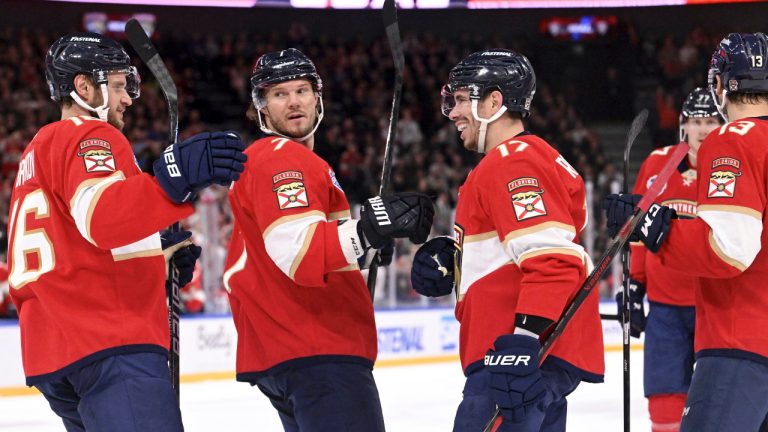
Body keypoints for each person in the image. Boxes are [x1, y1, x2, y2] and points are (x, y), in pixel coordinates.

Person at [6, 32, 245, 431]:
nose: (129, 98)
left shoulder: (37, 150)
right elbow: (102, 217)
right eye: (118, 86)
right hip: (109, 343)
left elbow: (77, 237)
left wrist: (156, 257)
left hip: (57, 352)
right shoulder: (89, 134)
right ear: (83, 87)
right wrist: (173, 178)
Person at [222, 48, 434, 432]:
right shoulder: (282, 158)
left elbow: (278, 254)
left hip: (295, 351)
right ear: (262, 109)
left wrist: (366, 251)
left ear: (317, 97)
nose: (294, 102)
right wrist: (366, 231)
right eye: (279, 94)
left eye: (302, 90)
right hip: (317, 348)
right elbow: (300, 255)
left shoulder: (280, 161)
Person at [410, 49, 604, 432]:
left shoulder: (513, 160)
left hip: (514, 361)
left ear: (494, 102)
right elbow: (527, 249)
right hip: (529, 359)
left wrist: (523, 342)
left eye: (463, 99)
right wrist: (456, 262)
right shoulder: (530, 157)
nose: (453, 113)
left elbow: (553, 258)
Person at [604, 32, 768, 432]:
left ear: (719, 84)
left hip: (741, 340)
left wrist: (657, 231)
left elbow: (730, 250)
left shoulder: (733, 140)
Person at [614, 87, 721, 432]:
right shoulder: (658, 164)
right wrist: (634, 283)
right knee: (664, 408)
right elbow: (640, 233)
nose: (703, 130)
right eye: (696, 121)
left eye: (711, 121)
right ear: (683, 125)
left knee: (718, 408)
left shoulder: (731, 169)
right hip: (665, 311)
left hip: (716, 307)